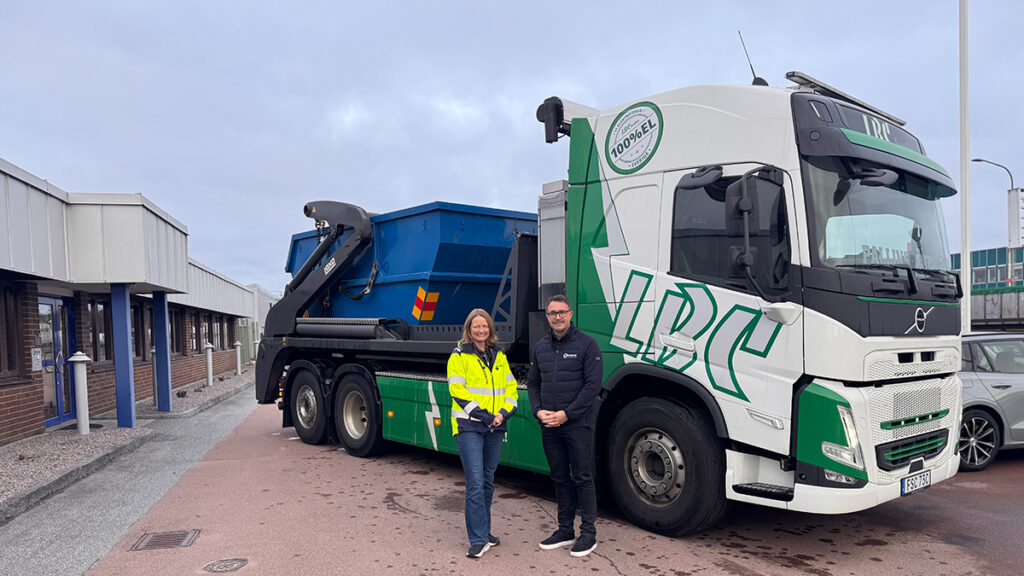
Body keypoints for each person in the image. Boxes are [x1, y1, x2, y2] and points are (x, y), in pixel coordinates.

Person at [526, 294, 602, 558]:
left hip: (577, 425)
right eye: (552, 313)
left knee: (582, 477)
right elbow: (533, 383)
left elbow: (592, 387)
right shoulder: (541, 347)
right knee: (559, 477)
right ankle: (565, 530)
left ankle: (588, 534)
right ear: (546, 317)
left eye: (561, 312)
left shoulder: (587, 345)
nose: (557, 317)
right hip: (549, 425)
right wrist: (538, 411)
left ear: (570, 314)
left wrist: (566, 415)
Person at [448, 308, 519, 558]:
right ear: (469, 330)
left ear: (490, 329)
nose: (481, 330)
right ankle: (478, 539)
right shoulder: (459, 356)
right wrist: (484, 415)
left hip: (495, 426)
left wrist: (503, 413)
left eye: (485, 326)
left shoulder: (499, 356)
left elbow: (511, 389)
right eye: (476, 327)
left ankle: (484, 529)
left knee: (488, 480)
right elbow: (457, 391)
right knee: (476, 483)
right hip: (470, 426)